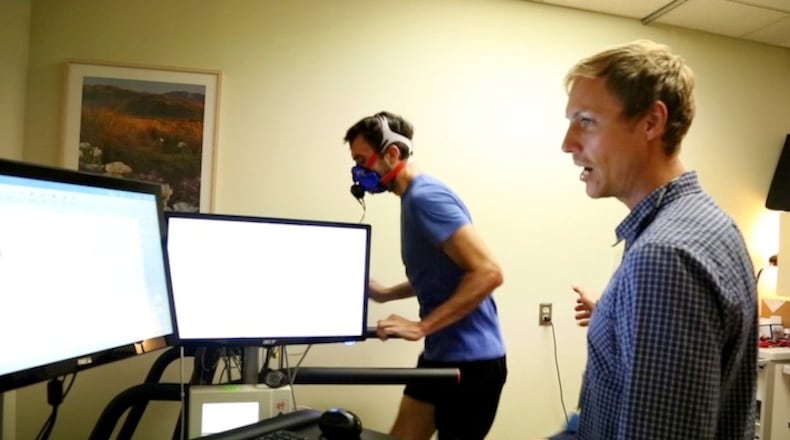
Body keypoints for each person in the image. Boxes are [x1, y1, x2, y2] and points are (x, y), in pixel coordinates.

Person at [550, 40, 758, 439]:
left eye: (586, 121)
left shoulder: (664, 258)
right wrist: (617, 318)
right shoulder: (709, 222)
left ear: (651, 122)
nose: (568, 143)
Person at [344, 111, 507, 440]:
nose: (359, 173)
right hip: (441, 354)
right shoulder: (412, 197)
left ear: (391, 154)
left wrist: (421, 326)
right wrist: (387, 293)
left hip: (472, 364)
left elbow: (488, 272)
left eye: (362, 160)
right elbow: (445, 275)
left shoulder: (425, 197)